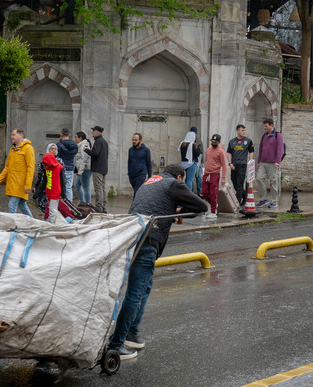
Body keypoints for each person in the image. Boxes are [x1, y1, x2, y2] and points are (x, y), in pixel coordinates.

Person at [105, 164, 208, 359]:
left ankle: (132, 332)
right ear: (179, 175)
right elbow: (202, 206)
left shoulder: (149, 182)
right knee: (135, 293)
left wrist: (175, 210)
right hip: (149, 240)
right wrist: (180, 211)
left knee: (145, 286)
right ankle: (116, 344)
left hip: (133, 236)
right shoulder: (175, 184)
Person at [0, 127, 36, 216]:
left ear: (21, 135)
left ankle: (12, 226)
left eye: (14, 135)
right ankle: (32, 224)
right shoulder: (13, 149)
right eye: (11, 135)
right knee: (22, 206)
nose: (11, 137)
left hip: (20, 184)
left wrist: (28, 185)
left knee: (11, 205)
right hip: (14, 184)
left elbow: (30, 168)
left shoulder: (28, 148)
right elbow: (7, 167)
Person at [256, 118, 285, 209]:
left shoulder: (278, 135)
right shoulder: (264, 136)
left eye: (266, 126)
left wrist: (277, 161)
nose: (264, 128)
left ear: (271, 125)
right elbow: (260, 149)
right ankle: (263, 199)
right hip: (263, 162)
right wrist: (259, 160)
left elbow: (280, 149)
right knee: (259, 178)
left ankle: (274, 201)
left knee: (273, 182)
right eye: (264, 126)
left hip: (273, 163)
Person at [201, 133, 228, 219]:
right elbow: (207, 161)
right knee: (204, 192)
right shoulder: (208, 150)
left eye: (215, 142)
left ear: (219, 142)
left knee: (213, 193)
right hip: (206, 174)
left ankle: (213, 211)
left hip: (215, 174)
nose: (213, 143)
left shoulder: (221, 152)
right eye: (212, 141)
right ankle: (214, 204)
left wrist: (223, 178)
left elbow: (224, 165)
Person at [226, 124, 255, 203]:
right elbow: (229, 153)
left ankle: (238, 202)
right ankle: (245, 196)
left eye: (244, 130)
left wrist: (250, 162)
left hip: (242, 165)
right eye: (242, 130)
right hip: (233, 164)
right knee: (234, 183)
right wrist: (230, 163)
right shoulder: (232, 142)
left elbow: (251, 151)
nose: (244, 132)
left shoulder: (248, 141)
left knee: (239, 184)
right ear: (237, 131)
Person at [40, 147, 65, 223]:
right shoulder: (47, 169)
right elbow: (44, 181)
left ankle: (51, 225)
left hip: (55, 193)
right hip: (49, 193)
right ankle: (51, 224)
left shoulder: (59, 168)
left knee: (52, 210)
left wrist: (63, 194)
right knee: (51, 210)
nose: (47, 164)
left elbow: (62, 181)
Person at [88, 126, 109, 212]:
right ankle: (104, 206)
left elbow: (95, 153)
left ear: (97, 132)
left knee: (98, 188)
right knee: (103, 188)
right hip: (104, 168)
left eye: (93, 131)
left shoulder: (98, 141)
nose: (92, 132)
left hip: (97, 168)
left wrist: (87, 150)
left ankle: (99, 207)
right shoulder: (104, 142)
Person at [55, 128, 78, 201]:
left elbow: (56, 156)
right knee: (68, 187)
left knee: (59, 186)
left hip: (61, 168)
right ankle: (69, 205)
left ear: (61, 134)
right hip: (70, 167)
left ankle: (61, 203)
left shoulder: (59, 145)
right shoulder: (74, 145)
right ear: (69, 134)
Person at [74, 131, 92, 204]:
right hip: (81, 170)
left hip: (85, 170)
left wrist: (80, 172)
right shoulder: (80, 145)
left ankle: (88, 204)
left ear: (80, 138)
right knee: (77, 186)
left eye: (76, 137)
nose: (75, 138)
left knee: (86, 187)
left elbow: (84, 159)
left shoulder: (84, 145)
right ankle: (82, 202)